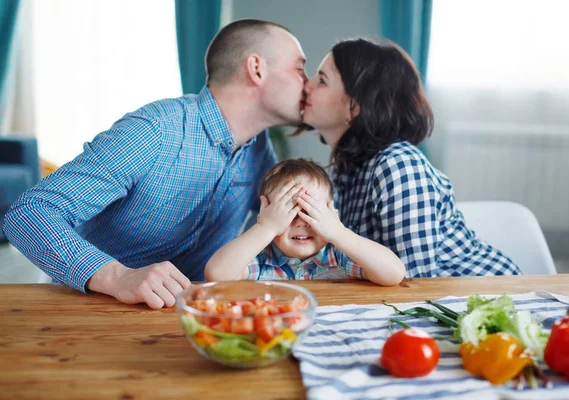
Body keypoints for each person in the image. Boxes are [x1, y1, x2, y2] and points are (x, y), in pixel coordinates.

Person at [2, 19, 309, 309]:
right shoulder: (154, 131)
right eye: (300, 70)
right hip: (91, 311)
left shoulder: (258, 149)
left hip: (186, 320)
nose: (308, 86)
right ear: (256, 68)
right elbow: (29, 214)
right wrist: (117, 276)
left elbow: (288, 229)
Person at [301, 38, 521, 277]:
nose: (306, 86)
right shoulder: (345, 170)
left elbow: (415, 282)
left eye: (322, 80)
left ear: (355, 106)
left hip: (490, 298)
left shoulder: (397, 165)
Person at [204, 159, 405, 285]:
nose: (302, 222)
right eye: (289, 211)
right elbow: (216, 274)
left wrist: (339, 233)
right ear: (266, 213)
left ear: (332, 215)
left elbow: (394, 274)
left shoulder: (340, 255)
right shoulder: (260, 257)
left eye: (311, 211)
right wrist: (265, 227)